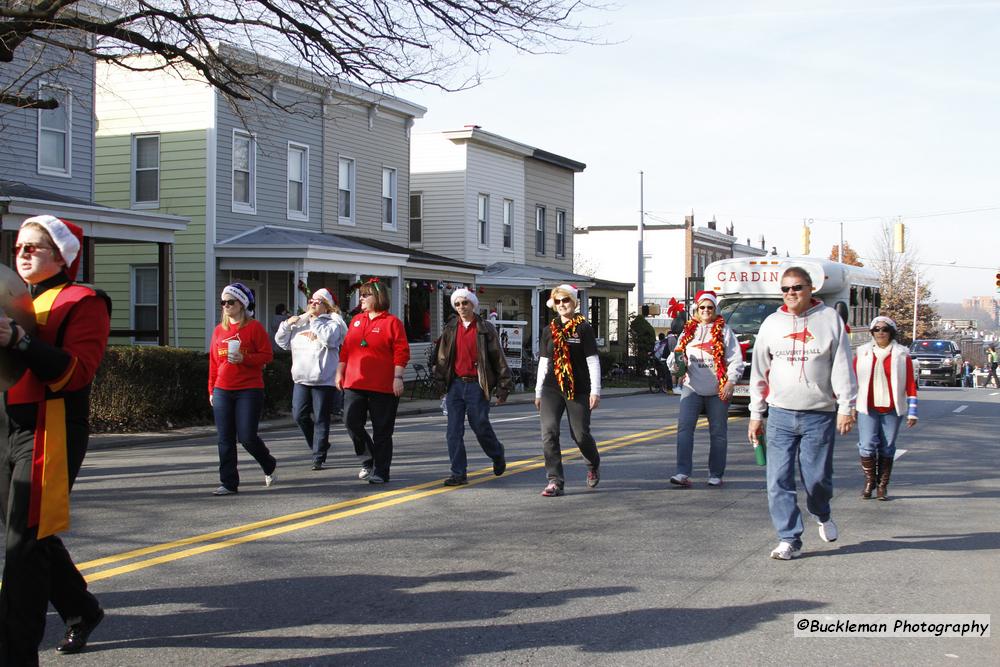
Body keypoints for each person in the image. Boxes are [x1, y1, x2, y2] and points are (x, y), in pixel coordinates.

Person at [0, 215, 110, 662]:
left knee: (22, 548)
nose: (23, 253)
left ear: (61, 254)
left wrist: (21, 341)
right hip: (8, 426)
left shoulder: (85, 300)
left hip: (52, 428)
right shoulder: (12, 298)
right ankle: (80, 607)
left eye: (34, 247)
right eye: (19, 248)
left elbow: (75, 373)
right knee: (30, 534)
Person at [748, 266, 857, 560]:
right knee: (778, 479)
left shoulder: (829, 319)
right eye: (785, 289)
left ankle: (821, 512)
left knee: (816, 479)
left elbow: (843, 366)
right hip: (780, 414)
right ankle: (789, 538)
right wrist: (756, 414)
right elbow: (759, 370)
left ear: (810, 289)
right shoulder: (772, 323)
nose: (791, 293)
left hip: (818, 414)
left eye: (796, 287)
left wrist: (846, 406)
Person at [432, 288, 513, 486]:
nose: (461, 307)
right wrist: (440, 382)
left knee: (480, 426)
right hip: (456, 385)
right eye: (458, 304)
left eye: (465, 303)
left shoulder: (485, 328)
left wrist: (503, 387)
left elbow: (498, 358)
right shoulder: (451, 328)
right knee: (453, 431)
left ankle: (497, 453)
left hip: (477, 385)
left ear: (473, 304)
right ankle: (458, 473)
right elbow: (442, 358)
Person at [666, 290, 744, 487]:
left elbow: (736, 360)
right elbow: (673, 359)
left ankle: (716, 473)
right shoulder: (688, 331)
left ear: (715, 309)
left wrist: (730, 382)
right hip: (692, 387)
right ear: (697, 310)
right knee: (684, 429)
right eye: (702, 307)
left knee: (718, 432)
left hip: (718, 389)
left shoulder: (725, 331)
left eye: (710, 307)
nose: (706, 310)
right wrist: (677, 364)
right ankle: (682, 472)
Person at [336, 278, 410, 484]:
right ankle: (368, 458)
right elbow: (347, 349)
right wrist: (339, 373)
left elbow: (401, 352)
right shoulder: (357, 320)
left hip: (383, 384)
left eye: (365, 295)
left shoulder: (392, 322)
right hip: (355, 381)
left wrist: (397, 377)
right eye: (361, 295)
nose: (361, 298)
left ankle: (381, 470)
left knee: (382, 430)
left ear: (377, 296)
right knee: (350, 421)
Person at [208, 283, 277, 496]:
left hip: (249, 388)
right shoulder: (219, 330)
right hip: (222, 389)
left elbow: (267, 356)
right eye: (223, 302)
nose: (226, 306)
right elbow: (213, 362)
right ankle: (228, 483)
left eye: (231, 302)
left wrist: (244, 358)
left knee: (247, 437)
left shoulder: (254, 328)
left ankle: (268, 463)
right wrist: (211, 389)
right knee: (224, 438)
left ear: (242, 305)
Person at [534, 284, 602, 497]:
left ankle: (593, 464)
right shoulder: (549, 330)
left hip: (578, 388)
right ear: (553, 305)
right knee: (549, 432)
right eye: (558, 301)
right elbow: (544, 362)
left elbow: (592, 361)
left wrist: (595, 390)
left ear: (574, 303)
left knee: (580, 435)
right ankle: (555, 480)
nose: (562, 304)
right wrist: (537, 391)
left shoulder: (584, 328)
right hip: (551, 388)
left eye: (566, 300)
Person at [274, 289, 347, 470]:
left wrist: (315, 321)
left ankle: (318, 456)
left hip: (323, 380)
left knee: (321, 418)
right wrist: (287, 325)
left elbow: (330, 340)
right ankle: (319, 444)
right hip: (301, 378)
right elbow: (281, 342)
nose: (313, 304)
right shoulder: (300, 323)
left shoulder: (334, 323)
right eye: (311, 301)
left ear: (327, 306)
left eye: (318, 302)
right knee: (299, 415)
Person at [854, 316, 917, 501]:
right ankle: (869, 482)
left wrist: (913, 411)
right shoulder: (862, 353)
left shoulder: (901, 354)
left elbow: (910, 384)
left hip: (891, 407)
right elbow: (852, 382)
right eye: (876, 329)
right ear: (872, 333)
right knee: (866, 446)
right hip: (868, 407)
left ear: (891, 332)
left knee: (887, 448)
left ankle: (882, 486)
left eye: (885, 329)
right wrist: (849, 407)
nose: (880, 332)